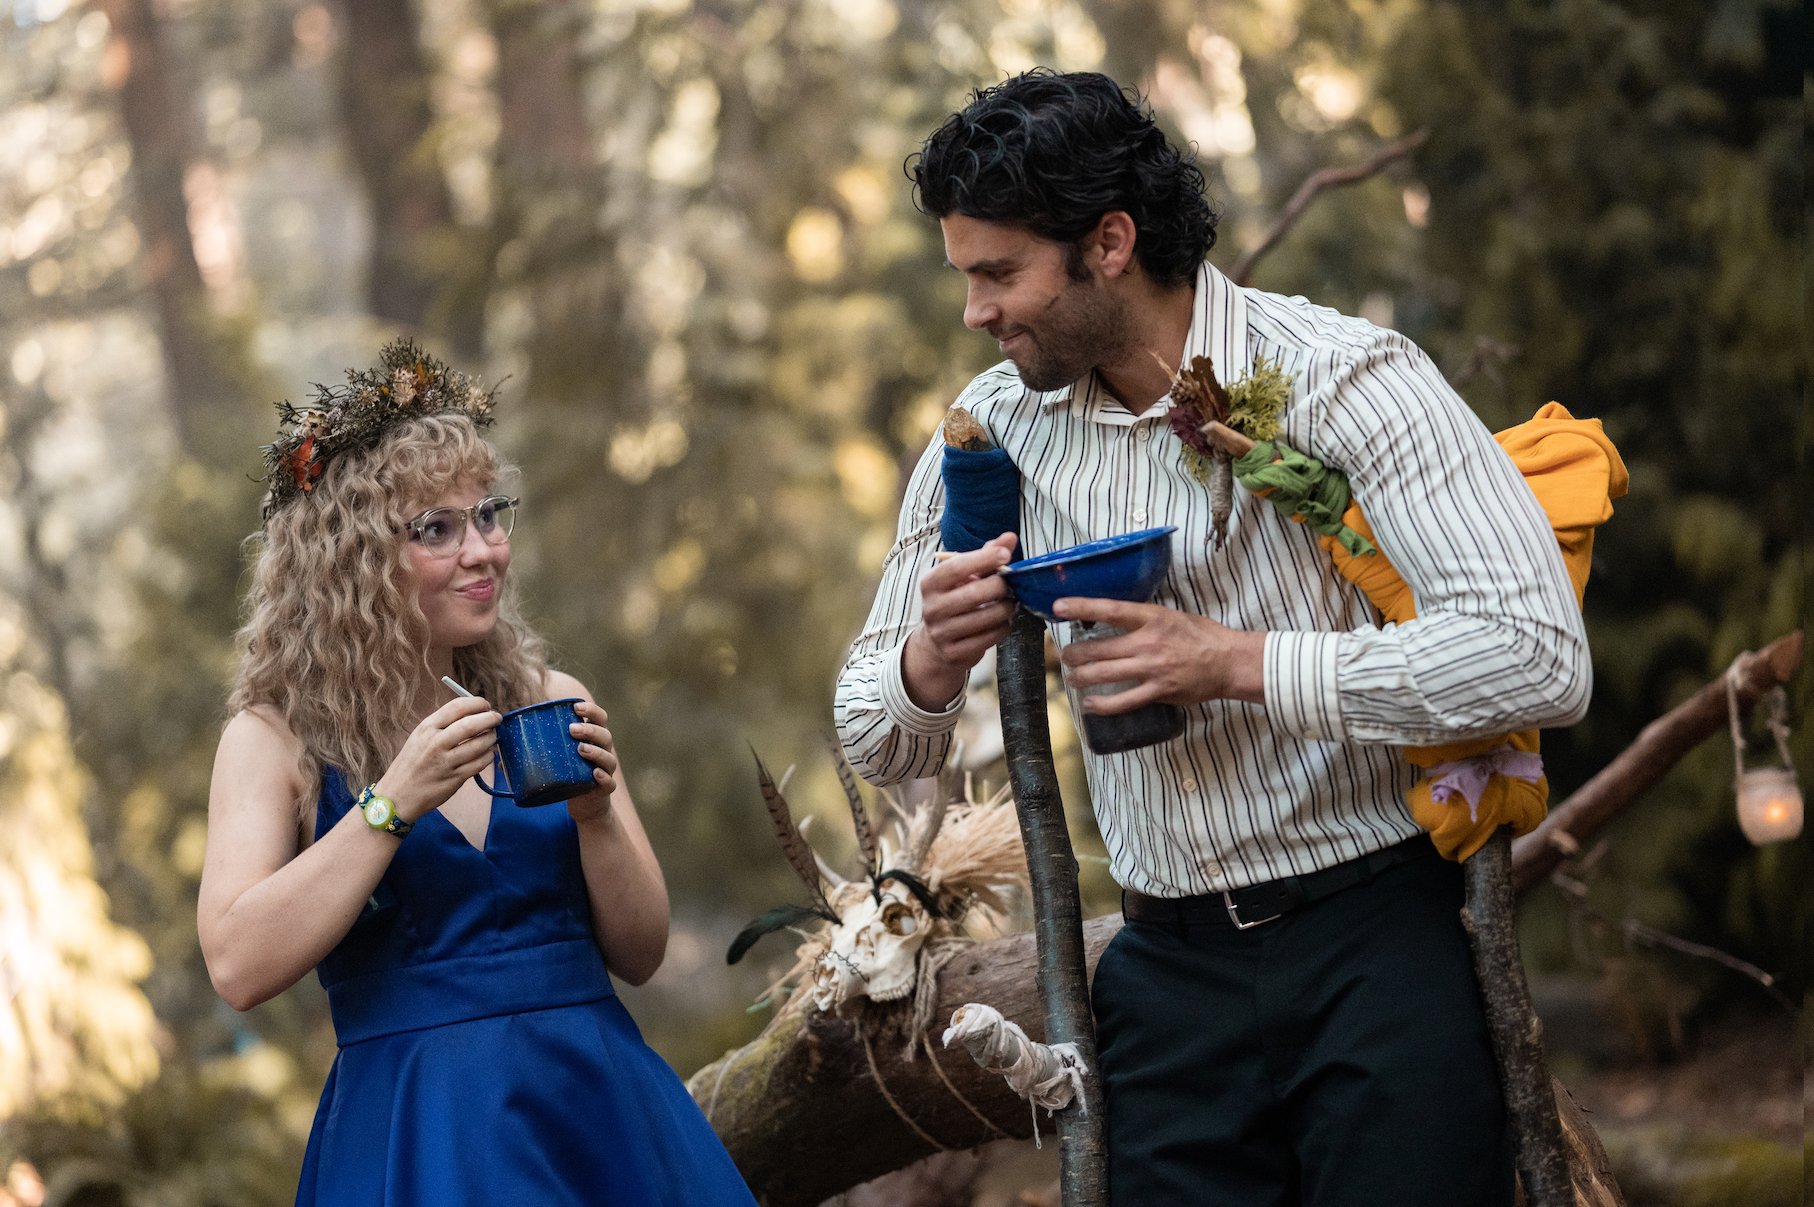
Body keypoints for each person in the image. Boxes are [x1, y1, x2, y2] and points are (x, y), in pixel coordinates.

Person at [834, 70, 1591, 1206]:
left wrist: (1236, 663)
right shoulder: (982, 441)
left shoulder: (1352, 378)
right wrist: (928, 661)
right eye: (965, 276)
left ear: (1108, 241)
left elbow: (1538, 654)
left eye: (999, 273)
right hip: (1158, 982)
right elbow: (872, 736)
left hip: (1375, 947)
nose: (974, 311)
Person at [198, 340, 756, 1207]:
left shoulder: (546, 697)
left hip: (598, 1113)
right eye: (438, 529)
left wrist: (599, 817)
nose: (484, 550)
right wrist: (390, 804)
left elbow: (641, 954)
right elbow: (235, 963)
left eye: (488, 515)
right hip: (421, 1133)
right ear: (351, 560)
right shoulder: (275, 739)